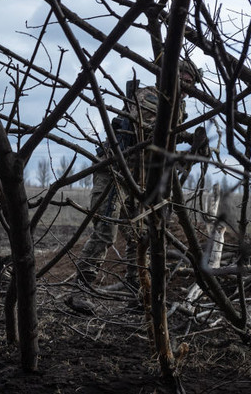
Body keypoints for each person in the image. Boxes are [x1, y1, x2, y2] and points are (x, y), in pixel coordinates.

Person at [68, 59, 205, 314]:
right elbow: (154, 131)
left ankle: (137, 293)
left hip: (140, 178)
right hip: (115, 172)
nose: (187, 87)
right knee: (106, 231)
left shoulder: (179, 107)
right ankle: (80, 291)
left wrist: (192, 148)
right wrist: (185, 137)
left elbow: (165, 147)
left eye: (191, 83)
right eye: (184, 81)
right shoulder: (149, 96)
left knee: (138, 236)